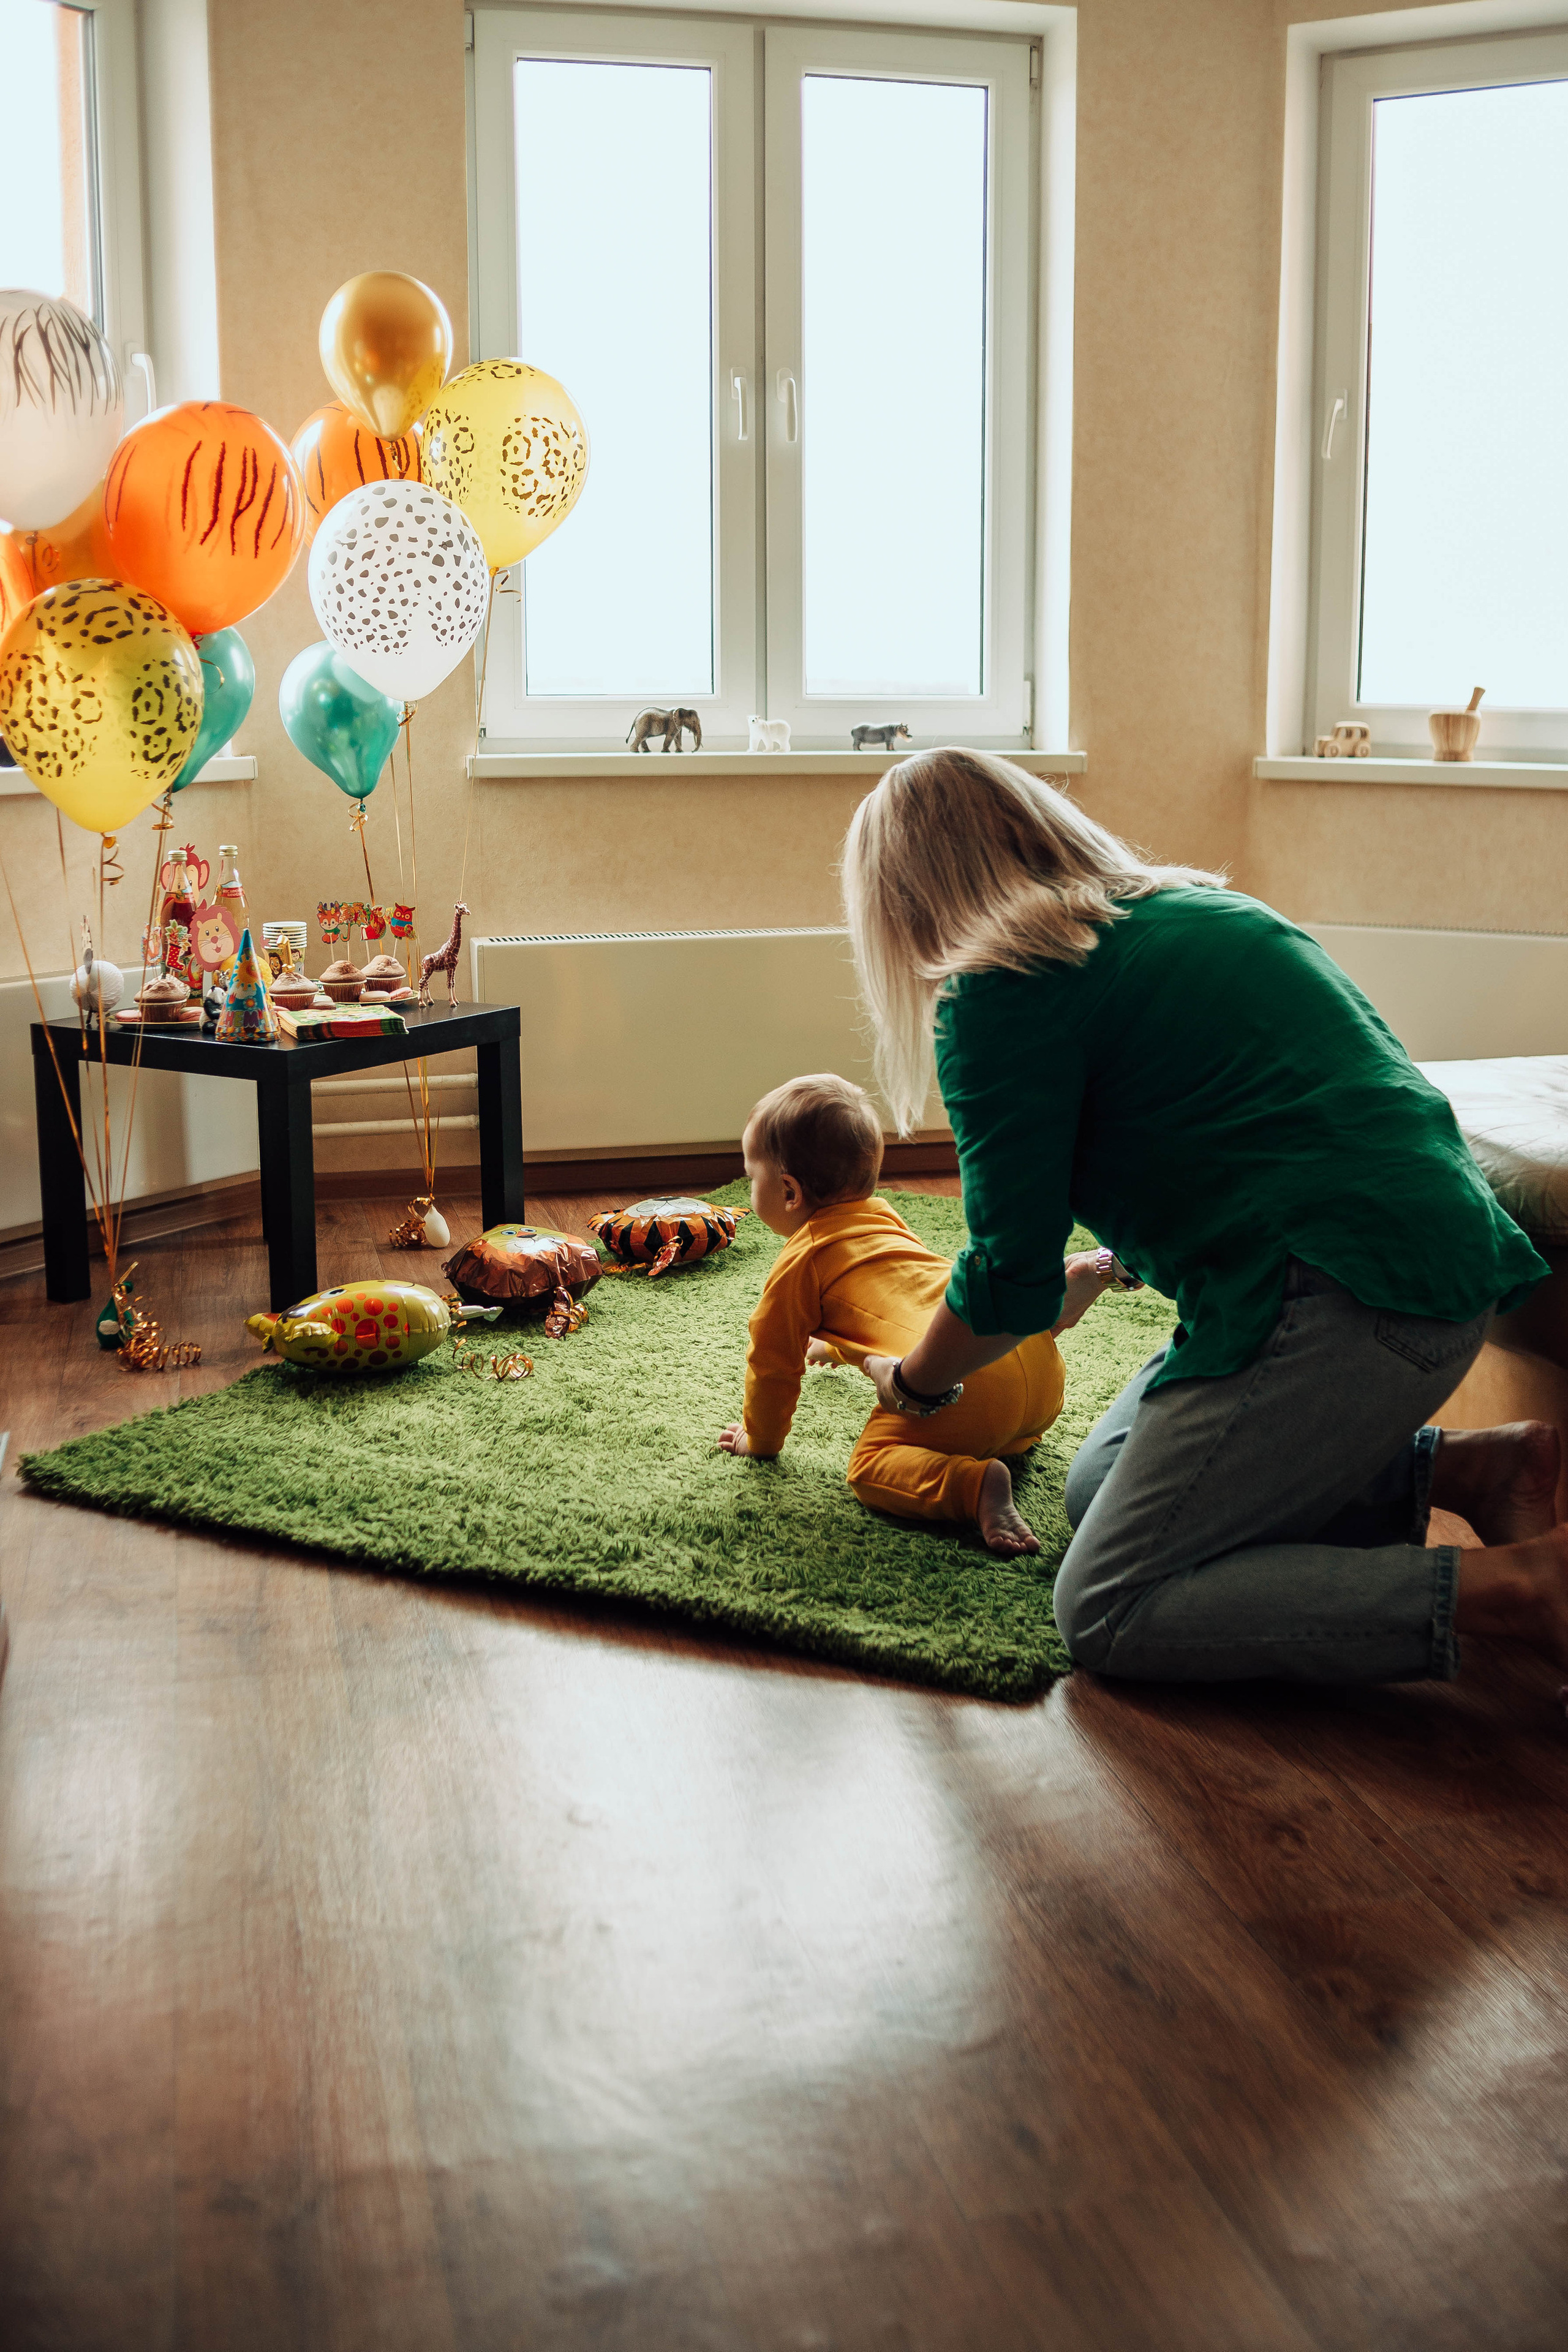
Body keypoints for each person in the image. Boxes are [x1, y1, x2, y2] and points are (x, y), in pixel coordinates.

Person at [839, 747, 1568, 1686]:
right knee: (1095, 1484)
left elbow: (1009, 1284)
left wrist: (915, 1386)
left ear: (904, 902)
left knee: (1107, 1605)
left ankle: (1517, 1592)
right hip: (1439, 1272)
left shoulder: (1000, 989)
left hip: (1343, 1301)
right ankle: (1474, 1470)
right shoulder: (1204, 907)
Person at [717, 1074, 1122, 1553]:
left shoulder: (800, 1261)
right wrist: (836, 1346)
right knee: (950, 1314)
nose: (749, 1188)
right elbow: (896, 1309)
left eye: (751, 1178)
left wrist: (759, 1440)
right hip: (1032, 1366)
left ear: (789, 1191)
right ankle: (1042, 1333)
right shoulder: (883, 1216)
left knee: (870, 1468)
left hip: (953, 1392)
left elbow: (772, 1365)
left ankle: (973, 1486)